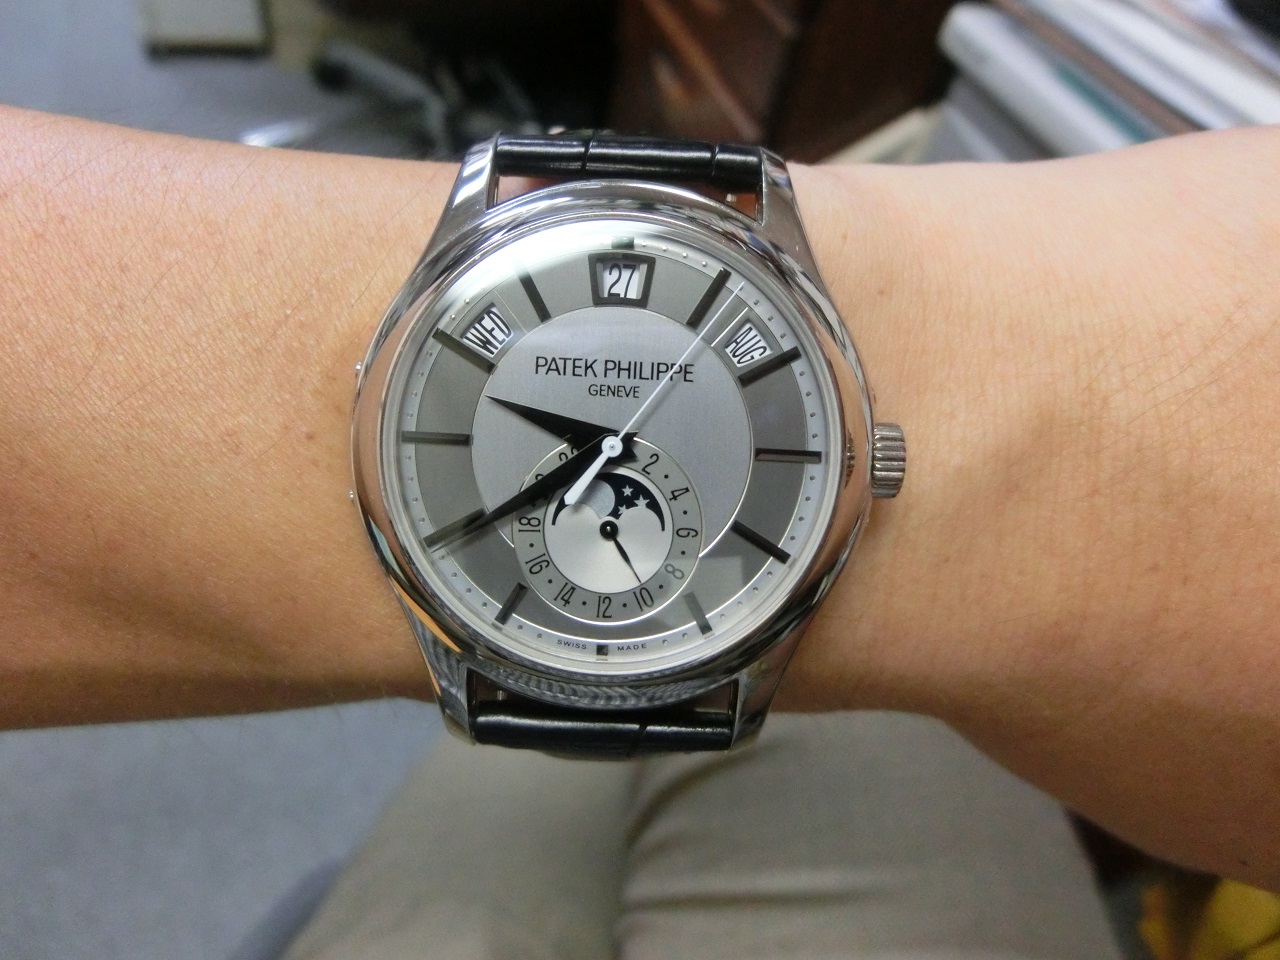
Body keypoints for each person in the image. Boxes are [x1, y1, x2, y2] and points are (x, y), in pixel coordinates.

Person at [1, 103, 1276, 945]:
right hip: (585, 603)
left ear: (868, 464)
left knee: (496, 833)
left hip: (603, 611)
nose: (614, 450)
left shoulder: (821, 453)